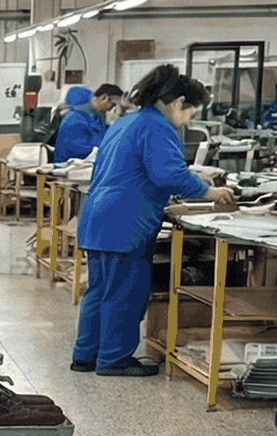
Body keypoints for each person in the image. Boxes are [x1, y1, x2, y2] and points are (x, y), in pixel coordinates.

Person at [72, 64, 236, 377]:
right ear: (178, 103)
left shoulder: (127, 121)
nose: (188, 120)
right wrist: (210, 192)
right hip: (124, 222)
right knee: (126, 292)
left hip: (97, 218)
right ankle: (113, 360)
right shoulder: (158, 127)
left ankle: (85, 356)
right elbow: (169, 174)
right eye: (190, 112)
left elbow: (133, 171)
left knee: (99, 290)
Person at [51, 83, 124, 165]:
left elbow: (108, 137)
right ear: (104, 98)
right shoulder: (74, 119)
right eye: (113, 104)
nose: (112, 108)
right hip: (70, 168)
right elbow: (80, 151)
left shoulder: (96, 118)